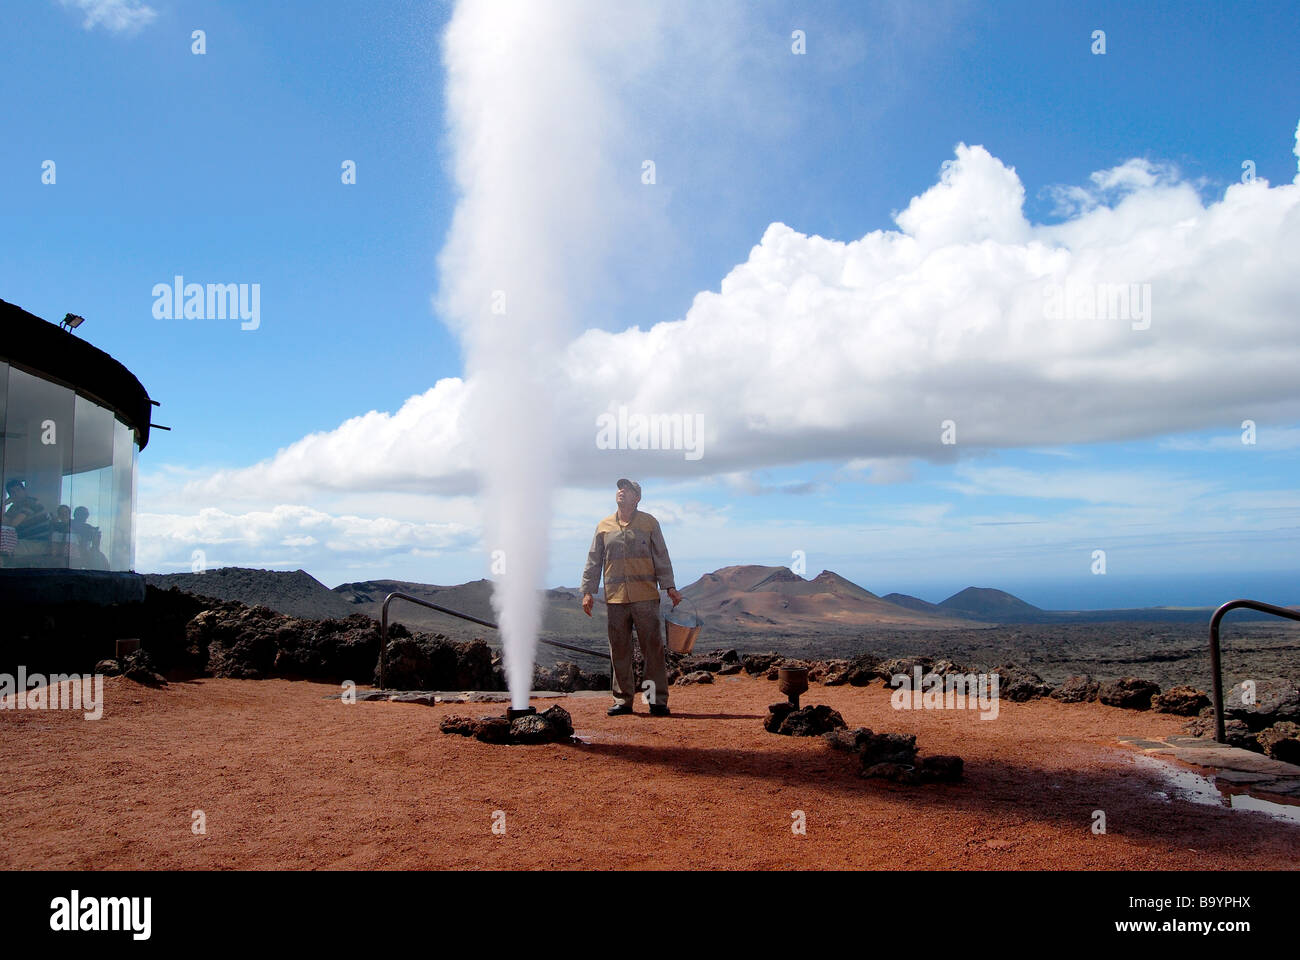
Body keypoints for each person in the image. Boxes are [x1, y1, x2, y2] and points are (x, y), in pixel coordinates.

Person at [580, 478, 682, 717]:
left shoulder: (649, 523)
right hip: (615, 599)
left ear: (637, 497)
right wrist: (587, 591)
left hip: (645, 597)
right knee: (619, 650)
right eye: (619, 489)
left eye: (627, 490)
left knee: (652, 649)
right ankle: (623, 700)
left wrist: (670, 587)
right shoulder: (604, 526)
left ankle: (656, 701)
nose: (621, 492)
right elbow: (594, 560)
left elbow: (662, 557)